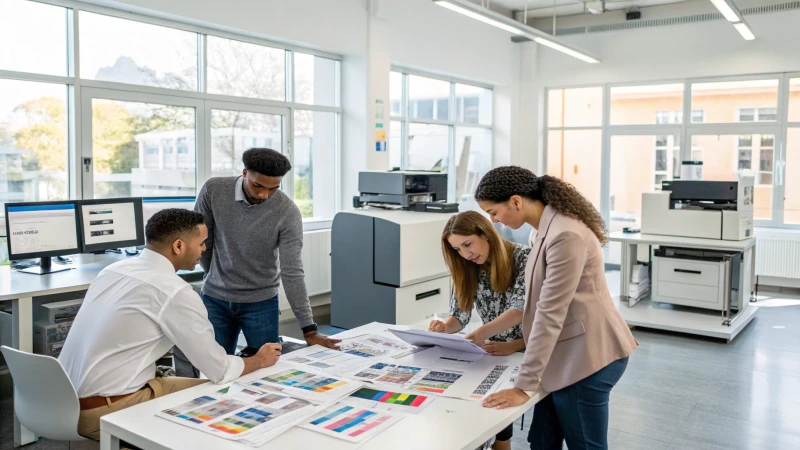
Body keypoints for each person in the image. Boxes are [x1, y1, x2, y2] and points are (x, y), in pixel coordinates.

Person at [59, 209, 281, 440]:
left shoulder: (113, 270)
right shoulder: (174, 291)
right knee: (225, 396)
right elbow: (219, 369)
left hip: (63, 401)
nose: (205, 249)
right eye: (202, 242)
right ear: (178, 246)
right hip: (106, 411)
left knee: (205, 386)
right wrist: (258, 359)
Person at [476, 166, 638, 450]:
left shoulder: (565, 235)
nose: (494, 221)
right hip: (565, 353)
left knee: (586, 445)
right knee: (541, 440)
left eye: (493, 212)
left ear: (516, 201)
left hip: (589, 356)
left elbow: (549, 313)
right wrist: (516, 346)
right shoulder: (543, 230)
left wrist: (523, 386)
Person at [193, 148, 338, 358]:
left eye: (273, 189)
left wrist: (309, 329)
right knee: (215, 369)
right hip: (215, 299)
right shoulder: (214, 190)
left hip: (261, 303)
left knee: (267, 371)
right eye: (258, 186)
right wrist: (213, 275)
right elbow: (203, 241)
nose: (264, 195)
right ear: (244, 173)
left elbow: (292, 271)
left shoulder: (287, 212)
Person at [429, 210, 530, 450]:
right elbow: (459, 316)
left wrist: (490, 336)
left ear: (485, 234)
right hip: (493, 349)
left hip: (530, 345)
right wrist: (444, 327)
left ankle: (502, 443)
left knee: (500, 406)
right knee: (480, 394)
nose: (465, 254)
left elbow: (520, 310)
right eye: (457, 249)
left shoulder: (525, 257)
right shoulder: (466, 265)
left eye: (468, 244)